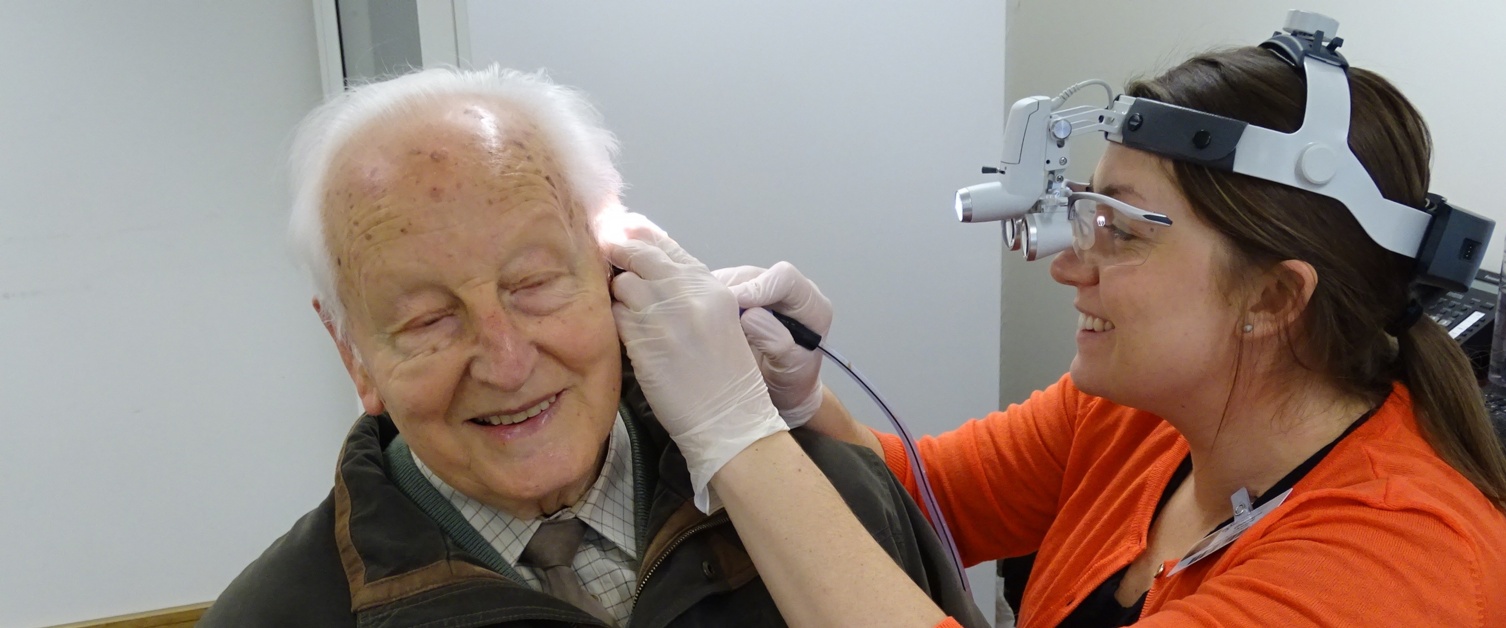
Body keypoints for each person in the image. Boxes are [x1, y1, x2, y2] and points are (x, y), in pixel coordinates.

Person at [603, 44, 1506, 627]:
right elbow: (924, 506)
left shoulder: (1396, 568)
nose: (1069, 264)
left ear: (1273, 298)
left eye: (1121, 228)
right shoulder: (1138, 415)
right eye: (1085, 214)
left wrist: (736, 438)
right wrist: (796, 401)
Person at [198, 65, 985, 627]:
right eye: (428, 321)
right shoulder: (276, 614)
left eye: (534, 282)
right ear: (354, 356)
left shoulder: (836, 499)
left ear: (615, 267)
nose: (505, 362)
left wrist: (779, 424)